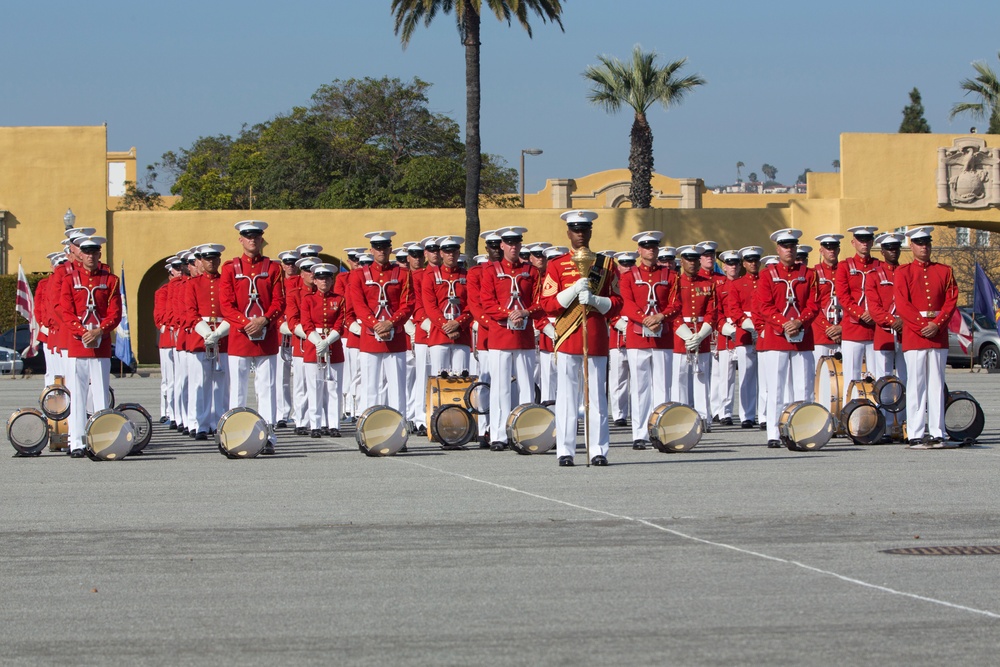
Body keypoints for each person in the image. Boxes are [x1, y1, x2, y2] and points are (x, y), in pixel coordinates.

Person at [540, 210, 622, 467]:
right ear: (568, 233)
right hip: (567, 336)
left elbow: (618, 303)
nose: (580, 234)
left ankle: (598, 450)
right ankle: (565, 450)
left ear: (590, 232)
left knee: (597, 397)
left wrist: (597, 300)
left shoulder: (606, 265)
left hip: (595, 337)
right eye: (575, 230)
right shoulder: (556, 265)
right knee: (566, 397)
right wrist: (572, 291)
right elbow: (548, 304)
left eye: (584, 230)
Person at [219, 220, 286, 454]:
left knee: (267, 387)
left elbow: (279, 301)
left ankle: (267, 435)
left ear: (261, 239)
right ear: (240, 240)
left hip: (266, 336)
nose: (252, 240)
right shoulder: (230, 268)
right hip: (240, 336)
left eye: (256, 237)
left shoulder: (273, 268)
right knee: (237, 388)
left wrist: (264, 320)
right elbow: (226, 305)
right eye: (247, 236)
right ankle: (235, 434)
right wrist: (247, 323)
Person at [753, 228, 820, 448]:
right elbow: (764, 306)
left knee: (804, 387)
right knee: (777, 387)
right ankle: (774, 432)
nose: (788, 250)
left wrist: (799, 322)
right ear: (777, 249)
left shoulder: (809, 274)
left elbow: (814, 304)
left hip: (802, 336)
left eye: (792, 246)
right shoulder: (767, 275)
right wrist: (784, 323)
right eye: (784, 246)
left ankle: (803, 430)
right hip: (776, 337)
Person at [894, 227, 958, 448]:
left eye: (927, 243)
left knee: (937, 383)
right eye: (919, 243)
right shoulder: (903, 272)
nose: (924, 247)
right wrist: (923, 326)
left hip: (937, 333)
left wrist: (937, 324)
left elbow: (951, 301)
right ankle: (915, 431)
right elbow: (903, 304)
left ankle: (938, 430)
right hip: (916, 333)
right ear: (911, 246)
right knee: (916, 384)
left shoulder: (944, 271)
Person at [58, 235, 122, 457]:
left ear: (99, 254)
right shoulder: (69, 280)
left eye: (94, 253)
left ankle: (102, 440)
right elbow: (65, 312)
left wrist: (100, 331)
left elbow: (115, 313)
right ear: (80, 254)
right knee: (77, 394)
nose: (90, 256)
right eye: (86, 252)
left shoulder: (111, 280)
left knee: (101, 395)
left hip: (101, 344)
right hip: (78, 345)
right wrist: (82, 332)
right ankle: (76, 442)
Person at [480, 226, 541, 451]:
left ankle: (526, 432)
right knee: (500, 387)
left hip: (523, 335)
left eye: (517, 244)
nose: (513, 247)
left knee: (526, 386)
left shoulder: (531, 271)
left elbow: (540, 301)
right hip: (500, 335)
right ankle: (498, 435)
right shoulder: (490, 270)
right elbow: (487, 302)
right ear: (502, 246)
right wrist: (508, 314)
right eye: (509, 244)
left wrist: (524, 313)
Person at [618, 230, 678, 449]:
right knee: (640, 388)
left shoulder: (670, 276)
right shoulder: (628, 276)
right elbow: (627, 303)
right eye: (646, 247)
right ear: (639, 250)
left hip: (662, 338)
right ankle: (640, 434)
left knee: (663, 387)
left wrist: (661, 317)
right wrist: (645, 320)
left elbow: (676, 303)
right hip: (637, 337)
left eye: (654, 247)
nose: (650, 250)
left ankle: (661, 432)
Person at [347, 231, 414, 414]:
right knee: (370, 387)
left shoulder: (402, 274)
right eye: (377, 248)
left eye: (384, 248)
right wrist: (376, 325)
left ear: (390, 249)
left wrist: (391, 323)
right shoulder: (359, 275)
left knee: (398, 388)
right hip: (370, 337)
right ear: (371, 251)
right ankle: (369, 428)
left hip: (396, 338)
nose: (381, 251)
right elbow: (359, 305)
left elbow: (408, 304)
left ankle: (398, 428)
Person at [183, 243, 230, 439]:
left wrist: (218, 334)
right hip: (200, 337)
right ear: (201, 261)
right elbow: (190, 313)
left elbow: (231, 309)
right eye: (207, 259)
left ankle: (220, 422)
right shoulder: (192, 284)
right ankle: (201, 424)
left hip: (223, 337)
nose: (211, 262)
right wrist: (206, 334)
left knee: (222, 384)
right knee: (200, 384)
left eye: (214, 258)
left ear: (219, 260)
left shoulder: (226, 283)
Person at [835, 225, 881, 405]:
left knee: (875, 376)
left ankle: (875, 411)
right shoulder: (844, 266)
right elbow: (843, 296)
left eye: (868, 240)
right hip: (853, 328)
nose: (864, 244)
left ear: (872, 242)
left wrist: (875, 314)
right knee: (852, 376)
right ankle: (851, 411)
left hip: (875, 329)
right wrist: (861, 314)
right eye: (861, 241)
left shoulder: (879, 265)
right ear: (853, 243)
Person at [672, 244, 716, 427]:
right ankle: (680, 416)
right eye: (688, 259)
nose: (692, 263)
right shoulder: (675, 283)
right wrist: (686, 335)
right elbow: (672, 311)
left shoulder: (707, 284)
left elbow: (712, 312)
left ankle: (704, 418)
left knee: (702, 378)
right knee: (679, 379)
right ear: (681, 261)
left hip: (701, 334)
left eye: (695, 260)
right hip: (680, 335)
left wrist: (700, 335)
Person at [301, 263, 347, 437]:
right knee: (315, 388)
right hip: (314, 346)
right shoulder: (308, 299)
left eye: (327, 278)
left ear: (332, 280)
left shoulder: (339, 299)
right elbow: (306, 323)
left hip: (333, 345)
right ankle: (315, 425)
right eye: (320, 278)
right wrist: (318, 342)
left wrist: (327, 341)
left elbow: (340, 323)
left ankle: (334, 424)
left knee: (334, 388)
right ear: (315, 281)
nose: (324, 282)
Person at [422, 235, 472, 375]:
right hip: (439, 334)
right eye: (447, 252)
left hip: (461, 334)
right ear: (441, 253)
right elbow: (430, 306)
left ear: (458, 253)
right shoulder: (431, 276)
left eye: (454, 252)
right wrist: (446, 327)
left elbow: (471, 304)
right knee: (439, 377)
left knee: (462, 376)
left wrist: (458, 323)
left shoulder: (466, 275)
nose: (451, 255)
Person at [727, 246, 763, 428]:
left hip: (765, 331)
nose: (753, 263)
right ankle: (747, 415)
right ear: (744, 263)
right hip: (745, 333)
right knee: (747, 376)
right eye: (749, 260)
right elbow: (734, 309)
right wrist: (748, 324)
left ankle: (764, 415)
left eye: (756, 260)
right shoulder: (737, 284)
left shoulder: (766, 281)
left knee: (765, 376)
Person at [866, 232, 907, 384]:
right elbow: (874, 307)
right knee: (884, 379)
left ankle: (905, 408)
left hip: (905, 332)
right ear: (882, 251)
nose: (893, 251)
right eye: (889, 249)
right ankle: (884, 408)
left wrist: (903, 320)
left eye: (896, 248)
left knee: (906, 376)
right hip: (884, 333)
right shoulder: (874, 275)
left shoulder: (907, 272)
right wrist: (892, 321)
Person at [711, 250, 743, 426]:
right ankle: (725, 412)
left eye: (736, 264)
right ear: (724, 266)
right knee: (725, 377)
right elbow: (716, 312)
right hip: (726, 335)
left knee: (747, 376)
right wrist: (726, 328)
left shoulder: (744, 284)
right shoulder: (720, 287)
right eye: (730, 264)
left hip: (745, 332)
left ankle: (748, 413)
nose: (733, 267)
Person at [275, 249, 301, 429]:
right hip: (280, 332)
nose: (290, 266)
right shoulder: (278, 283)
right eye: (287, 263)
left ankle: (299, 414)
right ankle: (282, 413)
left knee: (300, 378)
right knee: (280, 378)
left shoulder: (304, 282)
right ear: (282, 265)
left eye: (293, 263)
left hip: (299, 333)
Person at [812, 234, 844, 358]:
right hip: (821, 333)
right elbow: (812, 305)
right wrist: (829, 328)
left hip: (844, 331)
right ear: (821, 251)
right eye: (828, 248)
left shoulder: (845, 270)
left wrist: (842, 327)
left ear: (838, 250)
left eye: (834, 248)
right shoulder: (814, 273)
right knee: (820, 373)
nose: (831, 251)